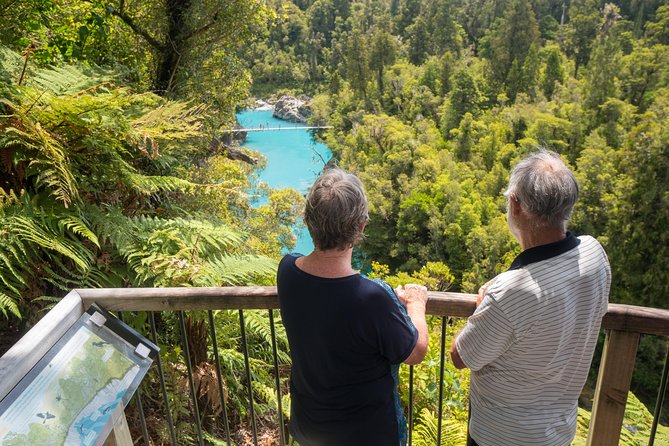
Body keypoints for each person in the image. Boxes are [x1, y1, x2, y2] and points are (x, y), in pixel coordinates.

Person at [450, 150, 611, 446]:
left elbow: (461, 356)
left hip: (500, 436)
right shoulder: (594, 255)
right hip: (557, 432)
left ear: (515, 205)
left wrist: (485, 305)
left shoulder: (511, 292)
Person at [277, 168, 429, 446]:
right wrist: (416, 304)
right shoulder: (372, 298)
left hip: (311, 428)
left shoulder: (287, 271)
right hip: (367, 434)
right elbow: (415, 352)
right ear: (360, 226)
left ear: (309, 220)